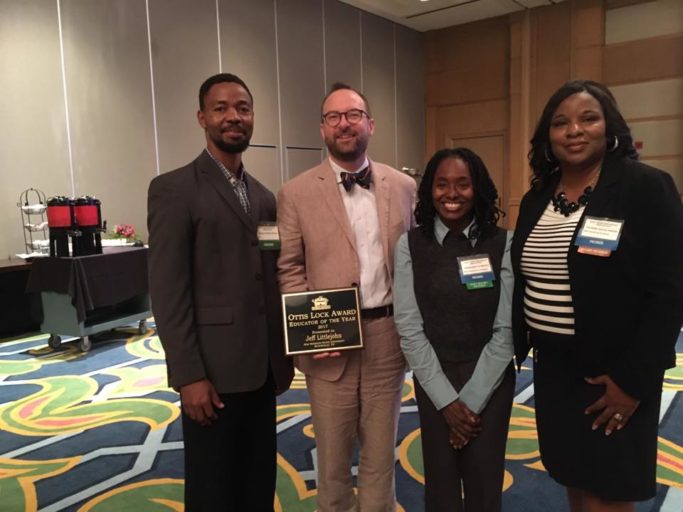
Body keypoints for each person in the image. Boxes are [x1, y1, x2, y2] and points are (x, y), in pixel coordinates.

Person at [511, 79, 683, 511]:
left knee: (608, 491)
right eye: (560, 122)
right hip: (552, 371)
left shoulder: (644, 187)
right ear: (548, 137)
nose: (574, 130)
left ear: (610, 129)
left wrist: (634, 381)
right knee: (574, 479)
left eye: (588, 118)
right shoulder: (537, 199)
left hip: (613, 373)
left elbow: (669, 292)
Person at [147, 73, 293, 511]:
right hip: (211, 374)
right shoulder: (174, 189)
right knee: (213, 489)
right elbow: (168, 291)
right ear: (202, 117)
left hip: (262, 369)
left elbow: (269, 272)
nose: (234, 117)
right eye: (221, 108)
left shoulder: (265, 197)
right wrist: (188, 374)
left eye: (243, 108)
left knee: (256, 483)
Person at [277, 82, 416, 512]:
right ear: (322, 129)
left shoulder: (404, 185)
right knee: (333, 460)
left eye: (353, 114)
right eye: (334, 117)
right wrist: (309, 335)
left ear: (370, 124)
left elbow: (416, 263)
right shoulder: (295, 192)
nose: (344, 124)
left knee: (379, 457)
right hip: (328, 342)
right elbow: (289, 269)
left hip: (387, 338)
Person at [394, 147, 515, 511]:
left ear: (477, 189)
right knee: (441, 489)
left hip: (491, 380)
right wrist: (447, 402)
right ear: (429, 189)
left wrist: (471, 402)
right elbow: (409, 326)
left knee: (484, 486)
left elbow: (507, 329)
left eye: (463, 184)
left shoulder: (503, 243)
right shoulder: (410, 245)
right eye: (441, 184)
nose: (451, 193)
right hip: (435, 380)